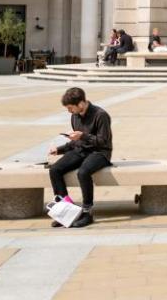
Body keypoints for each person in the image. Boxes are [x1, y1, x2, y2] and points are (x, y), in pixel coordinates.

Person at [47, 87, 112, 228]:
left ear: (81, 103)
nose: (69, 111)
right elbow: (76, 141)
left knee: (83, 172)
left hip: (100, 153)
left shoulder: (100, 115)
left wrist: (83, 135)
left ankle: (87, 212)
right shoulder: (74, 116)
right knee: (55, 170)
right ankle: (65, 210)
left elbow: (104, 141)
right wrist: (60, 149)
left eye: (70, 108)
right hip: (81, 150)